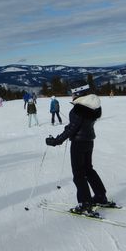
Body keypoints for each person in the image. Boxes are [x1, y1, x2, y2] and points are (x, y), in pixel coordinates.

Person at [45, 85, 111, 217]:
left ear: (78, 93)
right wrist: (70, 127)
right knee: (88, 170)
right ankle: (100, 196)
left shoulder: (77, 109)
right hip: (89, 141)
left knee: (79, 174)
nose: (71, 95)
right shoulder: (94, 107)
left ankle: (85, 204)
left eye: (73, 93)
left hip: (78, 144)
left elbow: (72, 129)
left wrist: (55, 141)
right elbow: (78, 125)